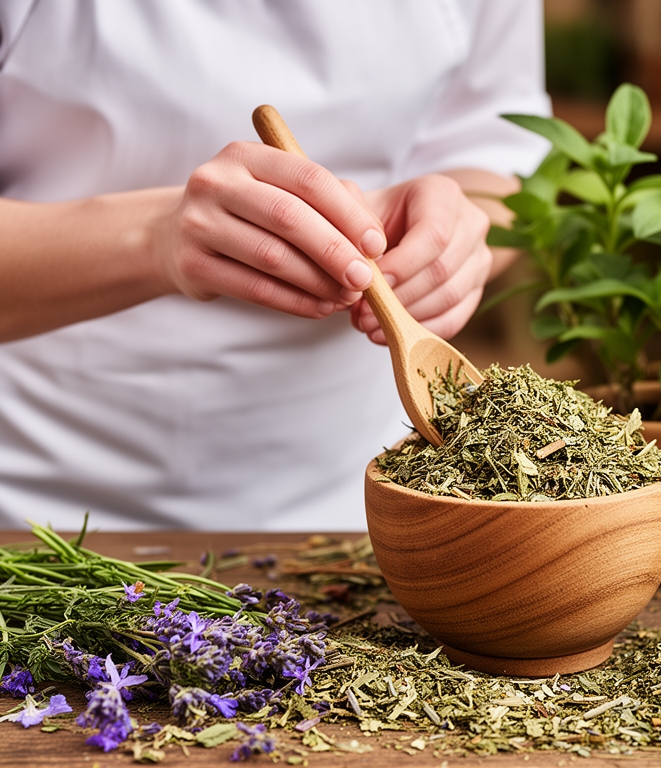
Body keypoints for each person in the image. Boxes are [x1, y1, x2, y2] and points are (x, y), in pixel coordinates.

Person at [0, 1, 551, 531]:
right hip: (44, 501)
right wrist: (155, 237)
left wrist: (454, 235)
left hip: (364, 497)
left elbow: (499, 153)